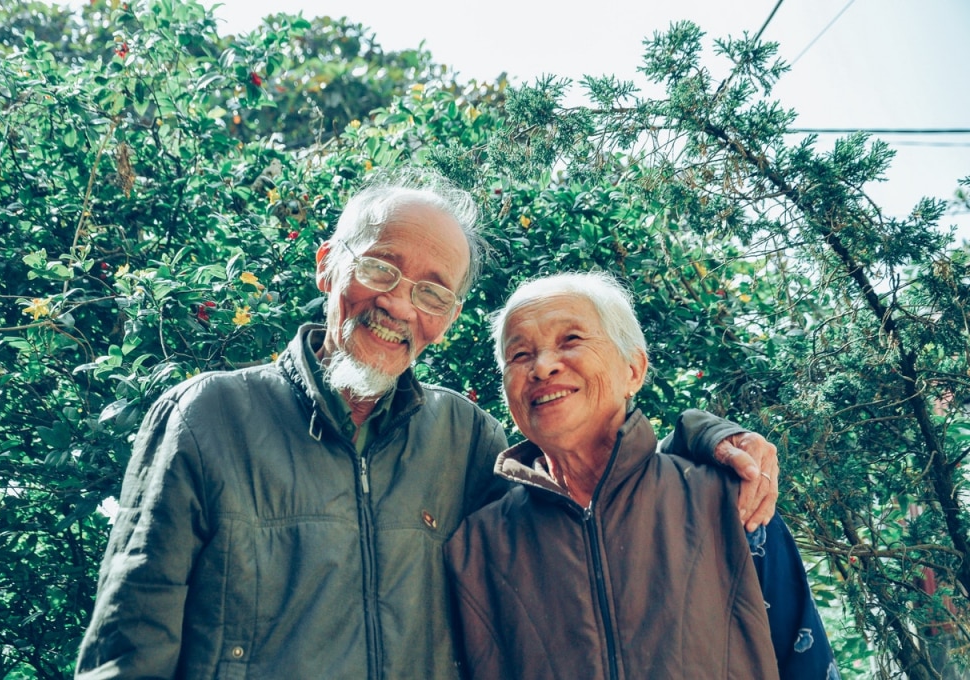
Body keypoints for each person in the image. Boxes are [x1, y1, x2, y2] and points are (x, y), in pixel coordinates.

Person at [75, 168, 781, 679]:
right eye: (380, 268)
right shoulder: (209, 417)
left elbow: (585, 498)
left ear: (447, 317)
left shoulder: (466, 437)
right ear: (328, 267)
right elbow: (126, 651)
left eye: (432, 291)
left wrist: (704, 438)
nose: (399, 306)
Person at [444, 271, 838, 680]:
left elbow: (805, 659)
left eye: (571, 340)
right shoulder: (477, 546)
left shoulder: (729, 500)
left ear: (633, 370)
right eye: (520, 355)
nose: (542, 367)